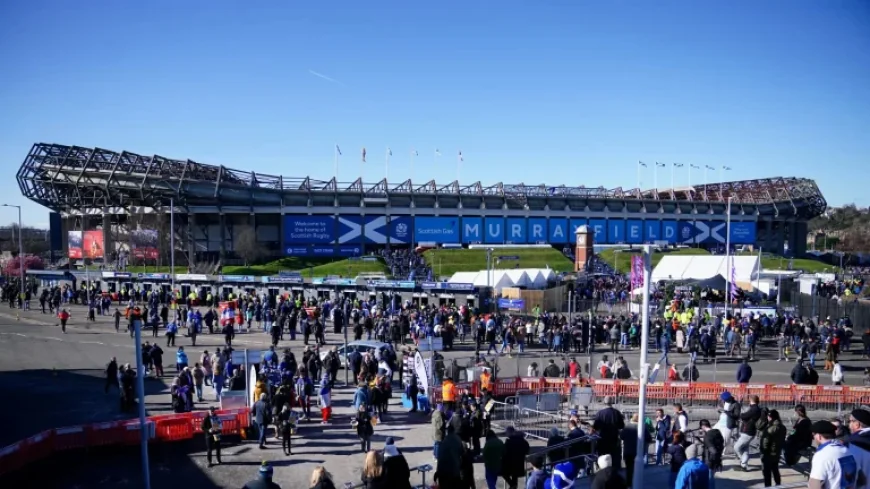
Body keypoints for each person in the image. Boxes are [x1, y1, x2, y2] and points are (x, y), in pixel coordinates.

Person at [809, 420, 859, 489]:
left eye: (813, 435)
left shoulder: (821, 455)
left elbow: (815, 485)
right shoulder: (847, 451)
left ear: (819, 436)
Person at [594, 396, 625, 472]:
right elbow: (622, 426)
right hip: (613, 438)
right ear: (611, 403)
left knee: (603, 458)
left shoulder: (600, 413)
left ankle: (602, 472)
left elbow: (596, 426)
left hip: (602, 439)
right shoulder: (616, 412)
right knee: (613, 458)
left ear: (604, 403)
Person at [759, 409, 786, 487]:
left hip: (769, 452)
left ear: (770, 417)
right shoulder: (782, 427)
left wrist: (763, 450)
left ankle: (768, 487)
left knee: (767, 472)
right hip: (777, 452)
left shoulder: (770, 428)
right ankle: (778, 485)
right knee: (775, 470)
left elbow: (765, 440)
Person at [620, 413, 648, 487]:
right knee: (637, 469)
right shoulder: (642, 427)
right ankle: (636, 483)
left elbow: (621, 436)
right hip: (638, 451)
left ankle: (629, 483)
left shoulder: (627, 426)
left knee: (629, 469)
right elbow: (648, 438)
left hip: (628, 450)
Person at [734, 394, 762, 471]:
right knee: (745, 449)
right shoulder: (755, 408)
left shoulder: (754, 409)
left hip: (748, 431)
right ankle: (744, 466)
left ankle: (743, 461)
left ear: (751, 400)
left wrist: (742, 415)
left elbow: (743, 416)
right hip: (749, 431)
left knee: (736, 447)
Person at [847, 408, 870, 489]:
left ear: (857, 424)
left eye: (849, 421)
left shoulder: (854, 442)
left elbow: (851, 471)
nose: (848, 425)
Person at [435, 424, 464, 489]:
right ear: (454, 431)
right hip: (455, 471)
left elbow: (440, 459)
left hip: (444, 473)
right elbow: (462, 453)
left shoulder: (444, 442)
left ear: (447, 431)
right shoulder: (458, 439)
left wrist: (438, 472)